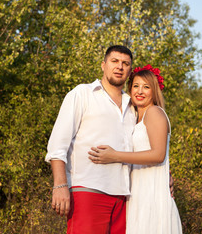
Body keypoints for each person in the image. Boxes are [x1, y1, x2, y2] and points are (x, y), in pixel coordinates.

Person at [45, 45, 136, 234]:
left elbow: (145, 147)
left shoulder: (133, 105)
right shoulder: (82, 93)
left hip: (125, 197)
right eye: (114, 61)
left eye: (125, 63)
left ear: (129, 71)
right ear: (103, 65)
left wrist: (163, 176)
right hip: (88, 190)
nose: (119, 66)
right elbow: (57, 145)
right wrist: (60, 186)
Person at [88, 65, 183, 234]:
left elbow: (158, 154)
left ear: (154, 91)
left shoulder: (154, 112)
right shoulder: (134, 117)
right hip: (137, 194)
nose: (140, 91)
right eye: (136, 86)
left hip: (152, 195)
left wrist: (115, 155)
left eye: (146, 87)